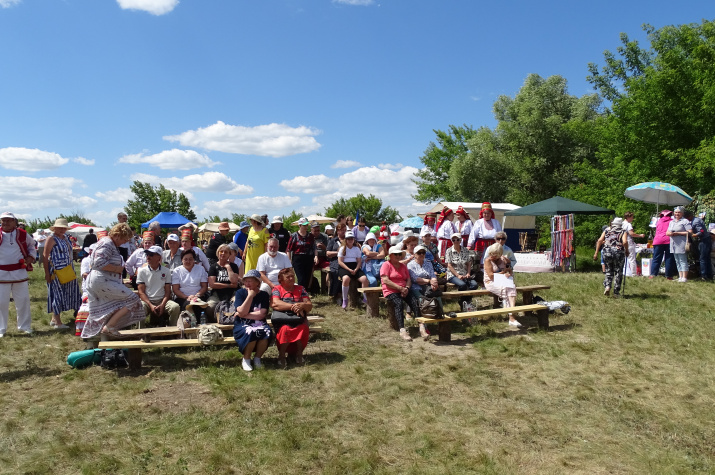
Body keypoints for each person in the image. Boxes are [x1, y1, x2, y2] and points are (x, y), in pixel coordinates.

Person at [81, 223, 145, 339]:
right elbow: (98, 262)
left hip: (102, 280)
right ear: (118, 235)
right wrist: (117, 269)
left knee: (112, 307)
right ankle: (109, 327)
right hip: (101, 280)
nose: (124, 242)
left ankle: (100, 335)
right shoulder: (107, 243)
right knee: (133, 299)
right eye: (124, 239)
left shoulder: (109, 243)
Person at [0, 211, 37, 337]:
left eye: (8, 220)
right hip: (1, 273)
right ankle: (1, 329)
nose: (5, 223)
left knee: (23, 300)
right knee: (1, 302)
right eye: (3, 220)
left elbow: (32, 246)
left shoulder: (22, 234)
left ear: (14, 222)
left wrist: (31, 257)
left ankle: (24, 326)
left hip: (19, 272)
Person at [43, 218, 81, 329]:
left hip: (68, 269)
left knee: (70, 292)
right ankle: (58, 322)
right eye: (60, 228)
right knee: (58, 294)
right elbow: (45, 256)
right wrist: (47, 273)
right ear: (55, 228)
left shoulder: (66, 238)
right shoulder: (51, 238)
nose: (62, 230)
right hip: (57, 270)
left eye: (64, 228)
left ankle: (54, 318)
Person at [271, 267, 313, 367]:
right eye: (288, 277)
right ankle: (281, 355)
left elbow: (309, 305)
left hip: (298, 319)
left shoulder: (300, 289)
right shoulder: (277, 289)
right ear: (281, 280)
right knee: (285, 329)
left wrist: (302, 305)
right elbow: (275, 303)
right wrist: (293, 306)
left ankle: (299, 354)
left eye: (292, 276)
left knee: (301, 328)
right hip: (283, 319)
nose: (291, 279)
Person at [232, 269, 271, 372]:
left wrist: (243, 314)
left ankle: (257, 358)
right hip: (242, 323)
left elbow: (262, 314)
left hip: (259, 322)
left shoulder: (264, 295)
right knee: (250, 331)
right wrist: (250, 296)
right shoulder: (240, 293)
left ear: (257, 282)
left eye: (250, 281)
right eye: (245, 281)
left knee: (266, 331)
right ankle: (246, 359)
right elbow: (240, 310)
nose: (247, 283)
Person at [380, 247, 421, 341]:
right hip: (390, 291)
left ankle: (421, 326)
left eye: (399, 254)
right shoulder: (386, 265)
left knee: (415, 302)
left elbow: (408, 279)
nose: (398, 256)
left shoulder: (403, 266)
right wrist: (400, 288)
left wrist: (406, 288)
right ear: (390, 255)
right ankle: (402, 330)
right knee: (399, 304)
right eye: (396, 254)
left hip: (404, 289)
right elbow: (385, 280)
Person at [137, 245, 180, 326]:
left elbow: (168, 292)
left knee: (175, 307)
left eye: (151, 255)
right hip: (147, 301)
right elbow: (141, 292)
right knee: (140, 308)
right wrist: (151, 305)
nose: (148, 257)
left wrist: (162, 305)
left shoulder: (166, 271)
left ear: (159, 257)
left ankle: (173, 329)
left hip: (162, 300)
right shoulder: (142, 271)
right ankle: (140, 332)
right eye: (147, 254)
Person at [483, 243, 521, 326]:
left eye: (495, 254)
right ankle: (512, 317)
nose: (492, 256)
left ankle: (511, 313)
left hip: (502, 280)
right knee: (506, 290)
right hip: (490, 281)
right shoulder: (487, 260)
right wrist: (503, 273)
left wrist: (508, 272)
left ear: (500, 254)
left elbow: (510, 271)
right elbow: (491, 276)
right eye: (491, 254)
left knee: (512, 287)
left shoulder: (503, 259)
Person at [203, 243, 240, 322]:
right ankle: (217, 321)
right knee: (209, 306)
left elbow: (234, 282)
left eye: (226, 252)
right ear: (218, 253)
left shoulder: (234, 266)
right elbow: (212, 284)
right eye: (221, 251)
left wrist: (228, 268)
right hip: (216, 294)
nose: (223, 253)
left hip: (232, 293)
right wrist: (228, 285)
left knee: (237, 304)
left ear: (229, 254)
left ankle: (232, 321)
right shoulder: (213, 267)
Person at [594, 217, 629, 297]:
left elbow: (599, 240)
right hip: (618, 253)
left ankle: (607, 286)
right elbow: (625, 242)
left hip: (607, 252)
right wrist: (627, 250)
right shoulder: (623, 231)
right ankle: (616, 292)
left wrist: (596, 253)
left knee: (608, 270)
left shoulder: (607, 230)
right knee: (618, 272)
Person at [407, 245, 436, 340]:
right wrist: (428, 281)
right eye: (419, 253)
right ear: (414, 254)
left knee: (437, 297)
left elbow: (432, 275)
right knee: (422, 301)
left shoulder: (428, 263)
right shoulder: (410, 265)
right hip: (415, 287)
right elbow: (415, 279)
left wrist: (434, 282)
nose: (422, 254)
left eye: (423, 253)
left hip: (427, 286)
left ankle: (440, 319)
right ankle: (423, 326)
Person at [171, 248, 209, 318]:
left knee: (197, 305)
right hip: (182, 298)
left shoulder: (200, 269)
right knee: (189, 305)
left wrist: (196, 296)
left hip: (198, 297)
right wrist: (186, 297)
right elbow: (175, 289)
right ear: (182, 260)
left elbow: (204, 286)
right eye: (185, 259)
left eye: (190, 259)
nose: (188, 261)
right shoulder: (177, 271)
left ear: (194, 260)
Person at [445, 232, 478, 311]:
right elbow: (449, 265)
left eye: (457, 240)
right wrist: (457, 275)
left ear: (460, 240)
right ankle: (464, 303)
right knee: (462, 285)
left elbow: (469, 263)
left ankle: (465, 301)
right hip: (453, 274)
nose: (455, 241)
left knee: (474, 285)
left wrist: (468, 273)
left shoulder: (465, 250)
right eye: (453, 240)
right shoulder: (449, 251)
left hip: (464, 273)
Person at [337, 231, 369, 309]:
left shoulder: (357, 249)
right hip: (344, 267)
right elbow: (340, 262)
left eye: (352, 238)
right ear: (346, 240)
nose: (350, 240)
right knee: (346, 279)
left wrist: (356, 269)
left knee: (364, 279)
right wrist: (348, 269)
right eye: (348, 239)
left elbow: (359, 261)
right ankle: (345, 299)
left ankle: (365, 298)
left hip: (355, 266)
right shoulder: (342, 249)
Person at [286, 218, 317, 289]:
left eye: (306, 225)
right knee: (301, 278)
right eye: (304, 225)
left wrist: (316, 256)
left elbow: (314, 247)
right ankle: (300, 292)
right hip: (298, 258)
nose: (306, 227)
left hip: (308, 258)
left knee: (307, 277)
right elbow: (289, 249)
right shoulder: (294, 236)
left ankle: (305, 292)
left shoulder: (310, 236)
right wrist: (289, 260)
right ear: (299, 226)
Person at [667, 206, 692, 283]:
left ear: (682, 213)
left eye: (679, 212)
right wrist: (670, 233)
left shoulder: (685, 221)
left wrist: (678, 233)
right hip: (673, 243)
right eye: (676, 212)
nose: (677, 214)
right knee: (677, 260)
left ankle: (684, 277)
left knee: (682, 260)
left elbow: (690, 232)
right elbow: (667, 232)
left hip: (681, 243)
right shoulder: (672, 222)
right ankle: (680, 276)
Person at [649, 210, 676, 279]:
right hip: (669, 240)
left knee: (656, 258)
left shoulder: (658, 220)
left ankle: (653, 274)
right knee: (669, 258)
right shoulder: (673, 221)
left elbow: (653, 228)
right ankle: (668, 275)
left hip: (658, 240)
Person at [685, 210, 712, 281]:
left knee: (702, 258)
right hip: (706, 240)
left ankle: (703, 276)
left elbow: (701, 231)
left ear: (689, 216)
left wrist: (694, 235)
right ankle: (709, 275)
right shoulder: (696, 219)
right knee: (706, 258)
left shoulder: (695, 221)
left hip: (704, 240)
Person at [326, 223, 346, 301]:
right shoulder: (333, 240)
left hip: (347, 261)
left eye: (344, 230)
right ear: (337, 231)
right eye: (341, 230)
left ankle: (353, 295)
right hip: (335, 261)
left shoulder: (349, 240)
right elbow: (328, 253)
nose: (343, 232)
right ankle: (337, 294)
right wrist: (338, 253)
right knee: (336, 272)